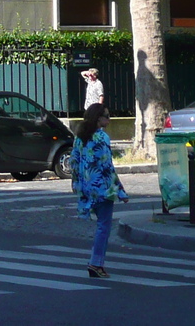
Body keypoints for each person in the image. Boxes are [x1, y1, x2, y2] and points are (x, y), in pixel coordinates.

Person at [70, 102, 127, 278]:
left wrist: (78, 185)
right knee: (104, 226)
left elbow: (74, 161)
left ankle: (96, 263)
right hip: (102, 187)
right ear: (98, 118)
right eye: (107, 116)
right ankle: (96, 263)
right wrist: (120, 190)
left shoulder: (80, 137)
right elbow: (107, 166)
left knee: (101, 225)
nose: (109, 119)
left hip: (87, 187)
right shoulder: (102, 138)